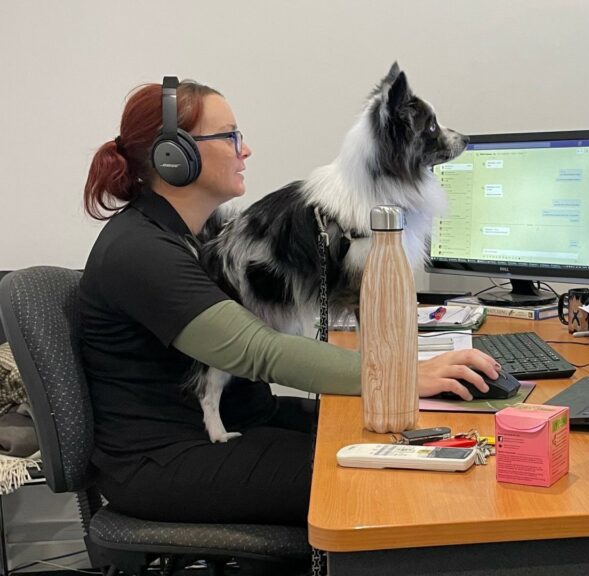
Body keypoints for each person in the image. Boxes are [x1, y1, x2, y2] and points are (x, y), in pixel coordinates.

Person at [79, 79, 498, 527]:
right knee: (386, 480)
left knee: (411, 444)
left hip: (243, 420)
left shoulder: (189, 234)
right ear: (174, 155)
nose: (246, 150)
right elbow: (257, 350)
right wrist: (401, 376)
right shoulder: (140, 251)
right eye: (230, 136)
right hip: (168, 458)